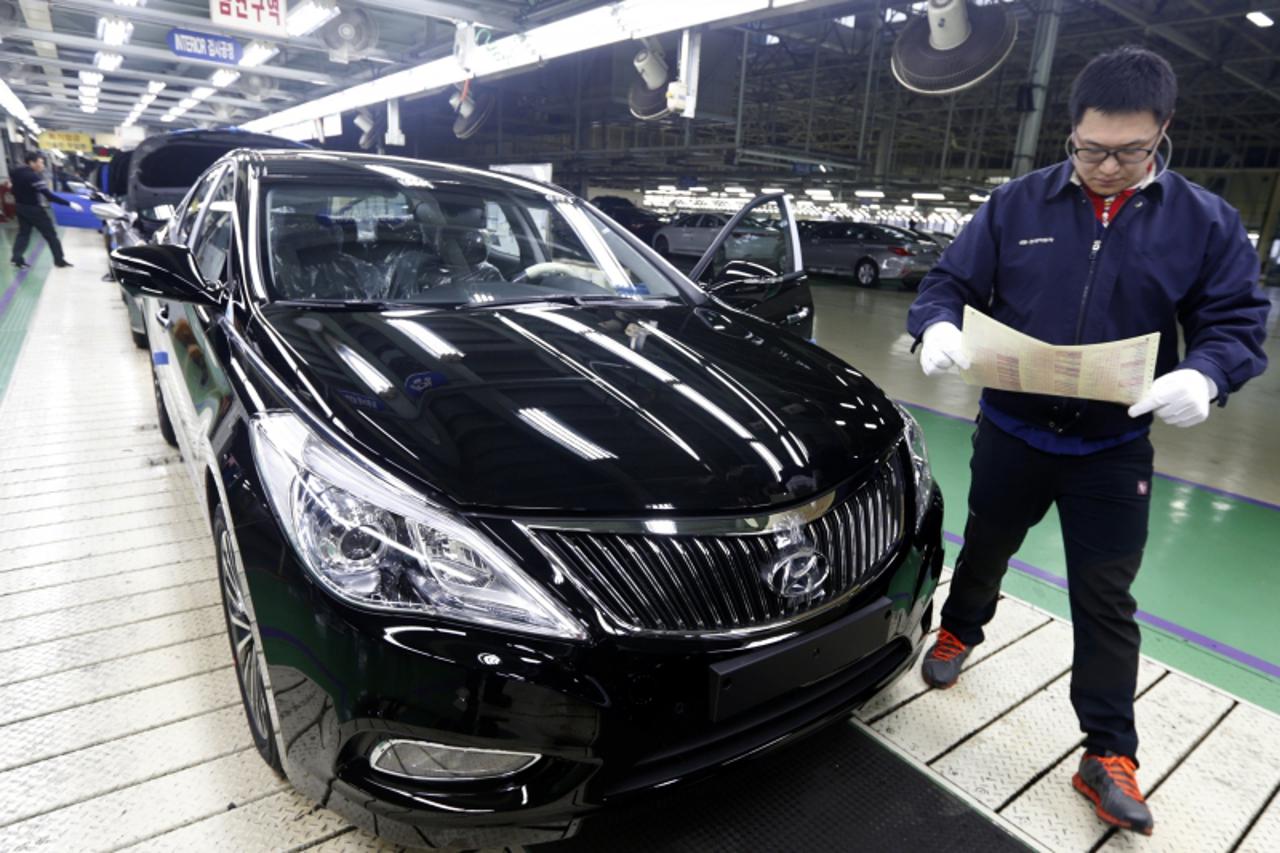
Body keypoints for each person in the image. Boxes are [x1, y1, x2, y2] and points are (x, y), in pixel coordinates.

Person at [906, 46, 1268, 837]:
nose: (1107, 166)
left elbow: (1236, 322)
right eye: (1091, 148)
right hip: (1012, 429)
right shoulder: (1015, 206)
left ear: (1163, 133)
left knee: (1105, 597)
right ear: (1071, 131)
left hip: (1112, 448)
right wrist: (934, 323)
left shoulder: (1203, 222)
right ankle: (962, 626)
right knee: (989, 546)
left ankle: (1108, 751)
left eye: (1130, 152)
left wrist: (1205, 375)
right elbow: (949, 282)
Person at [9, 151, 81, 269]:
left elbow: (13, 189)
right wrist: (69, 203)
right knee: (51, 235)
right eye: (41, 162)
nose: (43, 165)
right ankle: (59, 260)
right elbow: (49, 196)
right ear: (32, 163)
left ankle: (16, 259)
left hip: (20, 207)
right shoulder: (33, 177)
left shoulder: (16, 173)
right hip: (33, 209)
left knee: (23, 234)